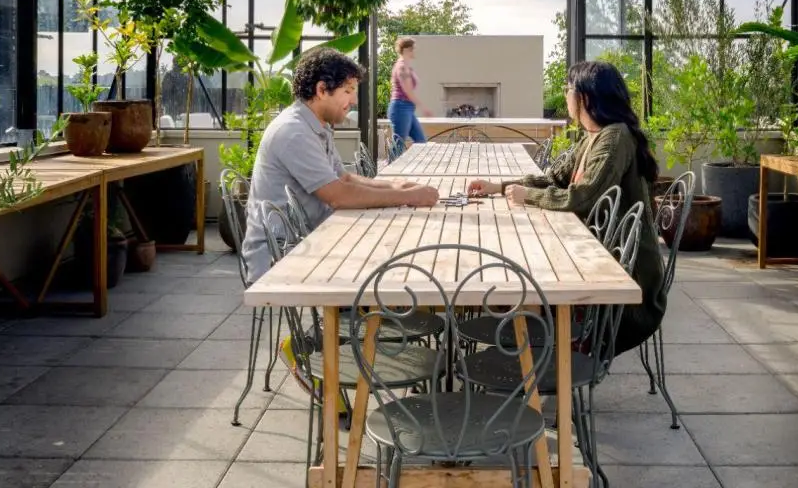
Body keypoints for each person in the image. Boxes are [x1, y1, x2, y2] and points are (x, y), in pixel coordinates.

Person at [466, 59, 667, 352]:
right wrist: (500, 186)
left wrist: (527, 196)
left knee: (524, 273)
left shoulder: (614, 139)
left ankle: (537, 355)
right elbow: (554, 180)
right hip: (597, 254)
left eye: (568, 89)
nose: (565, 96)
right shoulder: (594, 136)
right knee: (521, 268)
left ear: (584, 97)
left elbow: (581, 198)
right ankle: (527, 350)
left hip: (625, 281)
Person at [241, 48, 439, 283]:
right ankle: (374, 314)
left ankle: (383, 312)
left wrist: (398, 186)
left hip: (309, 240)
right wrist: (408, 197)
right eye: (348, 91)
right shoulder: (293, 131)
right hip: (283, 256)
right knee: (388, 263)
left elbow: (343, 179)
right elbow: (338, 195)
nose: (354, 100)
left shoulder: (316, 126)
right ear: (321, 90)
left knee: (390, 248)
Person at [388, 36, 427, 161]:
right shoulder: (402, 67)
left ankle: (415, 167)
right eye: (412, 49)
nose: (414, 52)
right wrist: (423, 107)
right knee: (398, 146)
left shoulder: (406, 66)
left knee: (421, 141)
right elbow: (408, 91)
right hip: (401, 107)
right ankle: (389, 174)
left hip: (406, 108)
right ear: (406, 50)